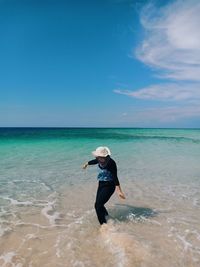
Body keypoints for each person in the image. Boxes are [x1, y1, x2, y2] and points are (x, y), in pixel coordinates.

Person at [82, 146, 125, 225]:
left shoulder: (111, 163)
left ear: (105, 156)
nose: (98, 159)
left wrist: (119, 191)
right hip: (101, 183)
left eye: (100, 157)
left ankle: (103, 225)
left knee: (97, 205)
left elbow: (115, 176)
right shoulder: (99, 159)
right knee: (99, 204)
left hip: (110, 185)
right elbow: (94, 161)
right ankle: (107, 218)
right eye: (97, 157)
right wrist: (86, 164)